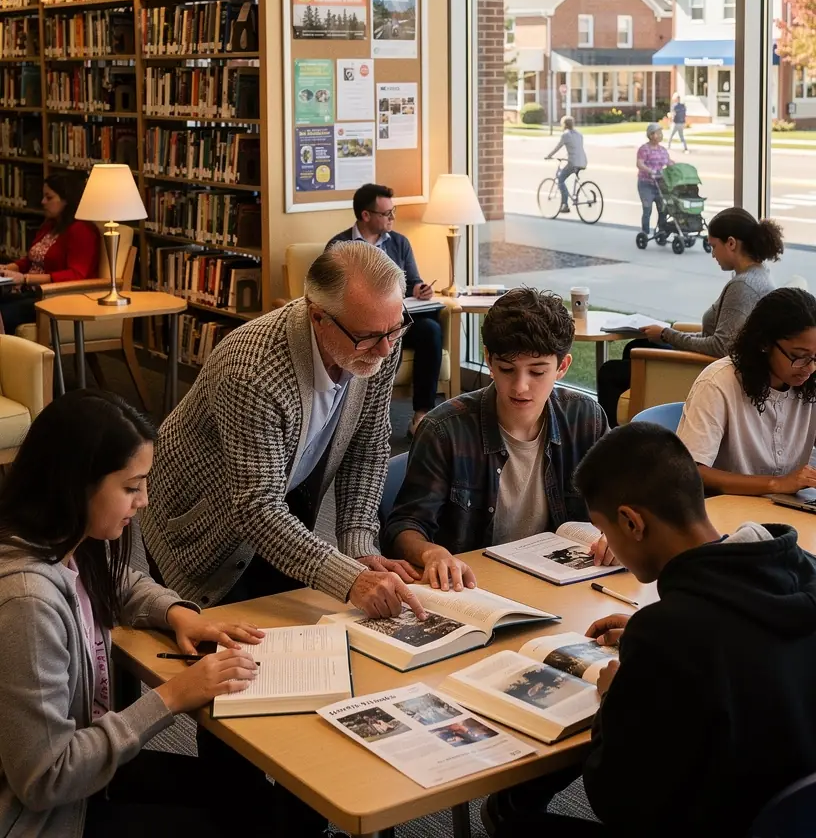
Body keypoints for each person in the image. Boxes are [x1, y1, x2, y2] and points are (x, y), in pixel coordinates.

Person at [483, 423, 816, 838]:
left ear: (631, 523)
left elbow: (619, 803)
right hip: (797, 816)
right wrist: (653, 636)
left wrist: (610, 702)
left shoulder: (668, 635)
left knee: (508, 815)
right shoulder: (802, 571)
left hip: (713, 822)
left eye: (605, 532)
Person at [0, 388, 269, 838]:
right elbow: (46, 779)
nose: (143, 501)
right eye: (130, 487)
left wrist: (178, 612)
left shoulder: (67, 543)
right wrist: (170, 698)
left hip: (92, 770)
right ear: (75, 483)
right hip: (49, 816)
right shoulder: (28, 604)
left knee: (255, 802)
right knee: (242, 819)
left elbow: (120, 582)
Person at [142, 241, 426, 618]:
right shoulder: (252, 371)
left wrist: (359, 547)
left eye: (395, 329)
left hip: (279, 500)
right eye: (370, 337)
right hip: (201, 520)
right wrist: (350, 579)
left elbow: (368, 444)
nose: (387, 350)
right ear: (318, 316)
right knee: (222, 654)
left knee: (294, 640)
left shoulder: (377, 336)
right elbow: (256, 508)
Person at [384, 288, 611, 591]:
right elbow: (403, 527)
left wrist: (616, 534)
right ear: (489, 360)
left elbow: (625, 502)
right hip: (477, 586)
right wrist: (432, 552)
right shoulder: (444, 429)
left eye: (537, 372)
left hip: (562, 584)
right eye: (506, 370)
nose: (520, 386)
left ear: (562, 367)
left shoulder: (586, 419)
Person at [596, 208, 783, 425]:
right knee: (635, 346)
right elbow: (725, 336)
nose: (712, 254)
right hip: (710, 363)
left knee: (609, 372)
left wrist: (667, 334)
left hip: (703, 370)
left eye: (714, 246)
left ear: (731, 243)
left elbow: (721, 347)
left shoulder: (743, 286)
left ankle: (608, 442)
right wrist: (666, 334)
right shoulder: (758, 276)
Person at [677, 286, 816, 496]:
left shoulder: (810, 382)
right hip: (726, 511)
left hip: (787, 509)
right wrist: (775, 484)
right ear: (764, 343)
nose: (810, 367)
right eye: (799, 356)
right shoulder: (719, 383)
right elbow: (691, 471)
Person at [328, 182, 442, 434]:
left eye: (393, 211)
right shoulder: (339, 246)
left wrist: (420, 289)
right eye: (386, 213)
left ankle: (422, 414)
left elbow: (412, 281)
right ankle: (369, 417)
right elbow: (332, 293)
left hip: (399, 318)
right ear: (366, 215)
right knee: (386, 338)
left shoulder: (400, 243)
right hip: (359, 324)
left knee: (431, 330)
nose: (392, 217)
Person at [0, 172, 100, 333]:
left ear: (66, 200)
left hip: (51, 298)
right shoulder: (50, 225)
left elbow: (76, 275)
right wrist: (7, 269)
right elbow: (31, 260)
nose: (42, 202)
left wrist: (26, 279)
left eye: (49, 197)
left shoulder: (81, 230)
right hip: (29, 291)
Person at [635, 121, 672, 235]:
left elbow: (668, 162)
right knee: (647, 209)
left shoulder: (662, 150)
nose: (660, 135)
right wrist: (650, 171)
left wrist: (676, 166)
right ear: (651, 135)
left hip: (660, 184)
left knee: (662, 210)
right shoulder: (644, 149)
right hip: (646, 184)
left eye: (661, 132)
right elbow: (639, 164)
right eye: (658, 132)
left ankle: (661, 232)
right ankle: (645, 233)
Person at [546, 116, 587, 214]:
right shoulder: (579, 134)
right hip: (583, 161)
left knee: (560, 180)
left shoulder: (565, 135)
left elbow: (557, 147)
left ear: (564, 125)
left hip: (573, 162)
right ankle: (574, 196)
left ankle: (565, 205)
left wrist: (549, 156)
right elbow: (575, 149)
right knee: (570, 176)